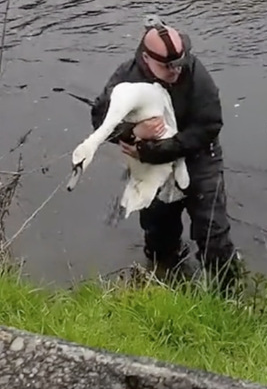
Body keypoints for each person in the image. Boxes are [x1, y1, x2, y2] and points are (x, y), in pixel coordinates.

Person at [90, 16, 244, 289]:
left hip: (198, 158)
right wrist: (134, 133)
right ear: (147, 59)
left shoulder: (196, 74)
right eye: (168, 66)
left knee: (214, 233)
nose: (176, 71)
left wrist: (158, 150)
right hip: (149, 166)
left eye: (180, 64)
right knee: (158, 235)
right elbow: (100, 120)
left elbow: (209, 125)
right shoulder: (126, 78)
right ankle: (167, 283)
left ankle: (228, 295)